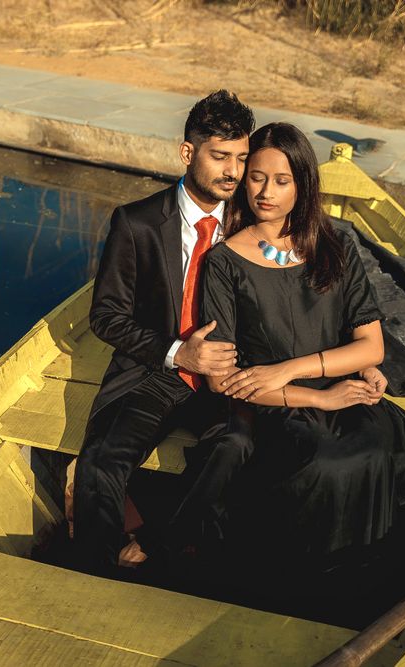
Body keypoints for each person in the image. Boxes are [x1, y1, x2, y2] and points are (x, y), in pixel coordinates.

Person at [199, 122, 405, 626]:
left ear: (303, 185)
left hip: (334, 386)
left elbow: (371, 345)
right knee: (326, 464)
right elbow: (223, 381)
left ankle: (367, 598)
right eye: (256, 178)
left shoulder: (333, 247)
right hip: (272, 407)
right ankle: (303, 601)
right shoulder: (224, 262)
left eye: (282, 180)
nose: (266, 193)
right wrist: (314, 397)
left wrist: (298, 369)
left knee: (381, 450)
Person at [68, 90, 258, 575]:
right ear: (187, 153)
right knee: (101, 462)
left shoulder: (252, 223)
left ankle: (158, 544)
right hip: (158, 371)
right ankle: (95, 574)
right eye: (220, 157)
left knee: (237, 450)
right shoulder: (137, 223)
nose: (232, 171)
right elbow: (107, 316)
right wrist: (178, 353)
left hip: (229, 380)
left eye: (240, 158)